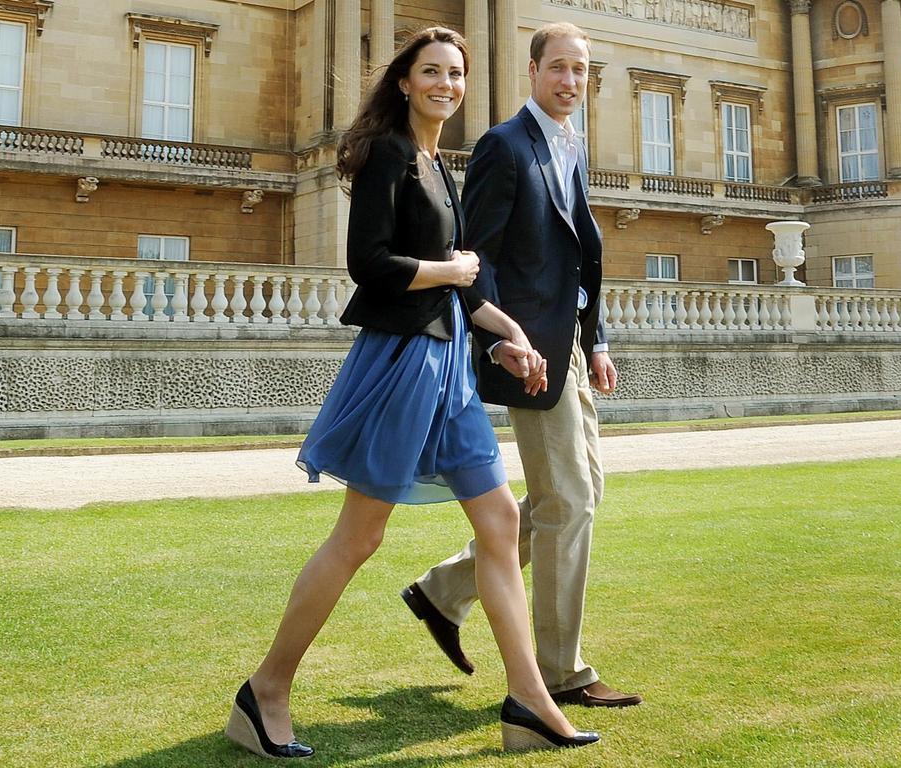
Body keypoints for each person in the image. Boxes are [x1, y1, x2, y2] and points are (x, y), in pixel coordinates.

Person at [224, 27, 600, 759]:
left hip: (452, 361)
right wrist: (455, 276)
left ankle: (529, 700)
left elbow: (460, 284)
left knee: (498, 523)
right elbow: (370, 264)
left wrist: (507, 334)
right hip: (402, 363)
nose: (447, 85)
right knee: (359, 536)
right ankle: (265, 690)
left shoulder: (438, 162)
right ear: (404, 81)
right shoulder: (390, 154)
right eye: (432, 72)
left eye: (456, 74)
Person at [402, 22, 643, 709]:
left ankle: (442, 591)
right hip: (528, 351)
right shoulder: (506, 146)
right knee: (569, 502)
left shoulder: (572, 147)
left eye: (581, 71)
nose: (571, 82)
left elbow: (579, 257)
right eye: (559, 69)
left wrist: (595, 340)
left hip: (567, 344)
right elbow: (479, 259)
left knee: (569, 496)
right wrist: (504, 339)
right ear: (533, 72)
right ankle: (561, 673)